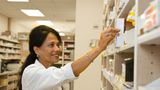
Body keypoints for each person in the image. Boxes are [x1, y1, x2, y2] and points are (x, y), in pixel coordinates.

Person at [18, 25, 119, 90]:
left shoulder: (49, 70)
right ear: (36, 49)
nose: (57, 49)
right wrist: (99, 48)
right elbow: (66, 72)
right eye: (51, 45)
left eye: (58, 44)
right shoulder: (31, 72)